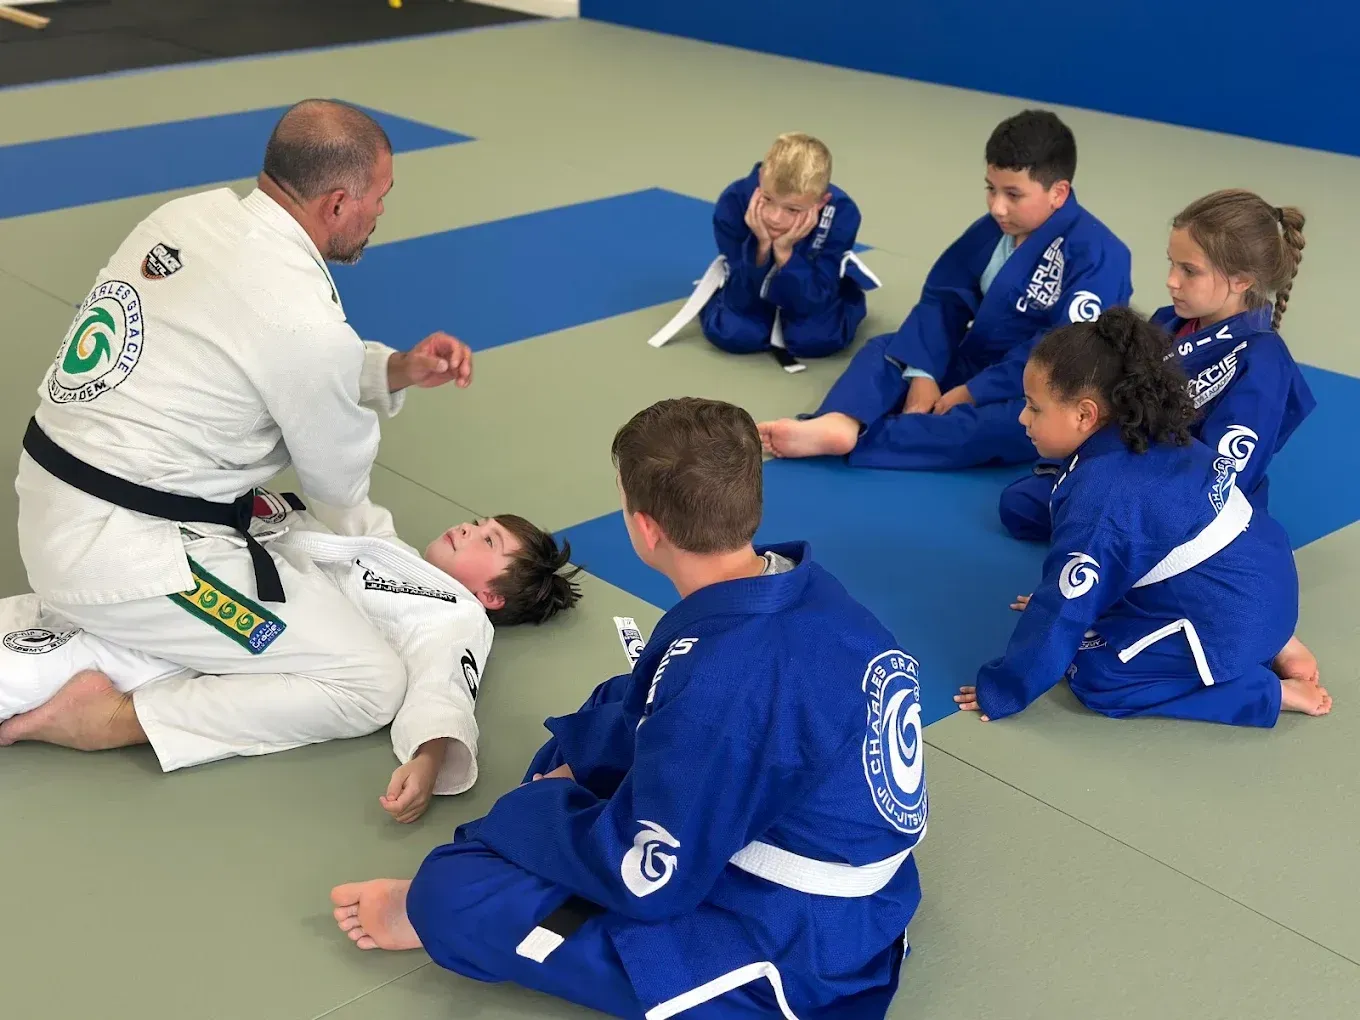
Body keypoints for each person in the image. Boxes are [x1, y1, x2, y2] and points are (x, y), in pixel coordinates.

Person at [331, 398, 929, 1020]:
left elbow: (652, 882)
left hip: (799, 937)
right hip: (788, 816)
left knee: (450, 895)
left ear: (646, 528)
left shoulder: (727, 680)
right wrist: (576, 770)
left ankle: (441, 909)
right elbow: (660, 708)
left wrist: (533, 811)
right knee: (595, 723)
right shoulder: (798, 588)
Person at [10, 98, 475, 769]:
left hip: (56, 495)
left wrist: (392, 369)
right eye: (380, 197)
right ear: (338, 204)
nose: (381, 213)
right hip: (127, 554)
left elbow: (245, 353)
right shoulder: (303, 322)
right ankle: (114, 718)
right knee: (369, 683)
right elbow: (336, 486)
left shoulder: (184, 216)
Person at [0, 491, 582, 820]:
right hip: (206, 571)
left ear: (490, 596)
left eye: (489, 542)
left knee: (38, 661)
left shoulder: (456, 615)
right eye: (479, 521)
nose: (469, 528)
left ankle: (103, 713)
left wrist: (430, 757)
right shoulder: (384, 544)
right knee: (36, 615)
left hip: (226, 625)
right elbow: (335, 498)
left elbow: (442, 687)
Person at [955, 308, 1331, 728]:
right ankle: (1276, 640)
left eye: (1033, 407)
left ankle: (1269, 692)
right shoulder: (1144, 432)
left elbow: (1064, 610)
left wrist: (1005, 688)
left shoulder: (1103, 495)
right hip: (1261, 576)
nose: (1024, 418)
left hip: (1236, 612)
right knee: (1091, 600)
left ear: (1085, 414)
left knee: (1098, 676)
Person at [757, 109, 1133, 467]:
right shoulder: (995, 231)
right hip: (977, 359)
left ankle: (861, 432)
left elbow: (1066, 353)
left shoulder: (1099, 254)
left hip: (1039, 388)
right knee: (889, 349)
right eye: (991, 189)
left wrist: (972, 392)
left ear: (1059, 192)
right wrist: (923, 373)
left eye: (1013, 194)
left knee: (1010, 429)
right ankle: (840, 422)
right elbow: (944, 299)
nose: (997, 207)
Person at [999, 189, 1315, 541]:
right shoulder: (1169, 322)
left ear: (1242, 280)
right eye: (1172, 263)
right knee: (1021, 503)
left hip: (1183, 500)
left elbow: (1222, 478)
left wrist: (1117, 486)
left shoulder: (1264, 364)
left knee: (1063, 510)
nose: (1171, 281)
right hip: (1130, 464)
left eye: (1189, 271)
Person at [647, 132, 880, 371]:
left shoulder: (842, 213)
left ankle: (849, 302)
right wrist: (760, 246)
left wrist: (786, 253)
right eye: (767, 199)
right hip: (749, 287)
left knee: (817, 340)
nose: (775, 218)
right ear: (760, 178)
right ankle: (715, 299)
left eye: (792, 209)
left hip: (812, 289)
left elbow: (815, 295)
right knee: (734, 335)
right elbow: (742, 293)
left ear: (821, 202)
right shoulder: (734, 201)